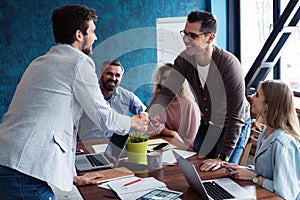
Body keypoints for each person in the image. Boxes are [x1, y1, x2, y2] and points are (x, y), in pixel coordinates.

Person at [0, 5, 149, 199]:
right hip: (23, 170)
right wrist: (133, 122)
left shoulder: (42, 61)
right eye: (93, 32)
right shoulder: (79, 62)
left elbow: (64, 130)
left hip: (9, 161)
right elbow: (103, 117)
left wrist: (72, 177)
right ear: (79, 35)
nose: (95, 38)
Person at [147, 11, 251, 170]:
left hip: (234, 124)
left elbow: (236, 117)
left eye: (193, 36)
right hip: (209, 122)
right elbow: (167, 93)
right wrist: (146, 116)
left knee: (223, 171)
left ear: (210, 38)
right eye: (185, 34)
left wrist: (221, 158)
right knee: (195, 165)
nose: (186, 40)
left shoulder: (229, 65)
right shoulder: (184, 60)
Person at [224, 80, 300, 200]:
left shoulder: (284, 144)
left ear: (268, 106)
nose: (251, 97)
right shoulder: (266, 132)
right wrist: (242, 170)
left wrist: (254, 177)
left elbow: (286, 194)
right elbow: (266, 173)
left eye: (257, 95)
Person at [78, 59, 146, 140]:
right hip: (88, 144)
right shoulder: (87, 95)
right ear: (101, 74)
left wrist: (142, 122)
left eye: (117, 75)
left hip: (116, 146)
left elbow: (145, 113)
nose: (113, 78)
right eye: (109, 74)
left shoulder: (128, 96)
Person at [147, 63, 200, 147]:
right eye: (164, 78)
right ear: (160, 82)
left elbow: (192, 139)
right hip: (167, 143)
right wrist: (172, 133)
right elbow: (151, 125)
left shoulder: (188, 103)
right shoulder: (159, 99)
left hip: (186, 148)